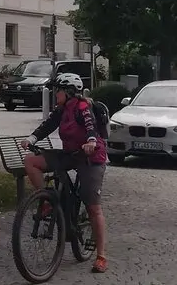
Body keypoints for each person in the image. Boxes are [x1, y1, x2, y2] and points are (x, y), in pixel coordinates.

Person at [19, 72, 109, 273]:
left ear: (68, 91)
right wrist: (32, 139)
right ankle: (48, 202)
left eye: (57, 90)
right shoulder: (61, 110)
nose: (54, 93)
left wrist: (92, 141)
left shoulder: (83, 107)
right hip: (71, 154)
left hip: (91, 156)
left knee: (93, 206)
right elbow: (47, 126)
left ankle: (101, 255)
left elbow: (90, 126)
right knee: (31, 161)